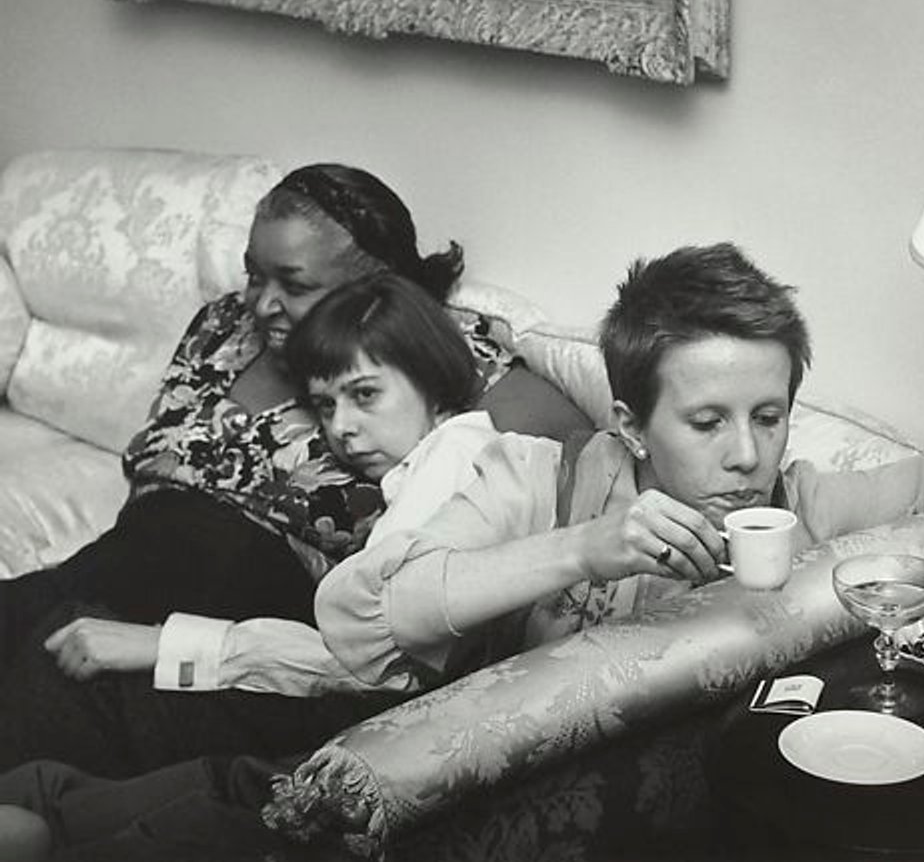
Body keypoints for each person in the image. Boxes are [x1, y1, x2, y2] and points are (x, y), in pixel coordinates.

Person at [0, 242, 924, 860]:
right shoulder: (533, 475)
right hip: (394, 769)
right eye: (707, 421)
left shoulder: (802, 500)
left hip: (592, 822)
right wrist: (588, 546)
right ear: (628, 416)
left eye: (770, 413)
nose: (747, 454)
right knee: (112, 816)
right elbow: (367, 618)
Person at [0, 163, 587, 775]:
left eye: (295, 283)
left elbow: (575, 456)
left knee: (52, 670)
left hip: (246, 594)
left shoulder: (428, 348)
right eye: (255, 272)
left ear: (375, 285)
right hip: (123, 561)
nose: (263, 301)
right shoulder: (224, 328)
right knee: (36, 623)